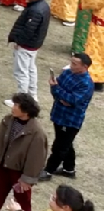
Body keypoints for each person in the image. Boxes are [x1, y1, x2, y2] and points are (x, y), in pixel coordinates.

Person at [42, 52, 95, 182]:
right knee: (66, 143)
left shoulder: (86, 84)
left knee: (59, 146)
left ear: (85, 67)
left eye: (75, 64)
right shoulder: (67, 73)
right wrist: (57, 92)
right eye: (71, 62)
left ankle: (48, 171)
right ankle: (68, 169)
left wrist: (59, 92)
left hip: (70, 120)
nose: (71, 65)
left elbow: (71, 100)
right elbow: (57, 90)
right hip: (58, 114)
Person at [10, 0, 51, 100]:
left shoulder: (35, 10)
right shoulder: (43, 6)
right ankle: (32, 95)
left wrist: (18, 41)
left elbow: (28, 30)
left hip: (26, 45)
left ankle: (21, 100)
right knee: (31, 70)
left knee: (21, 72)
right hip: (34, 44)